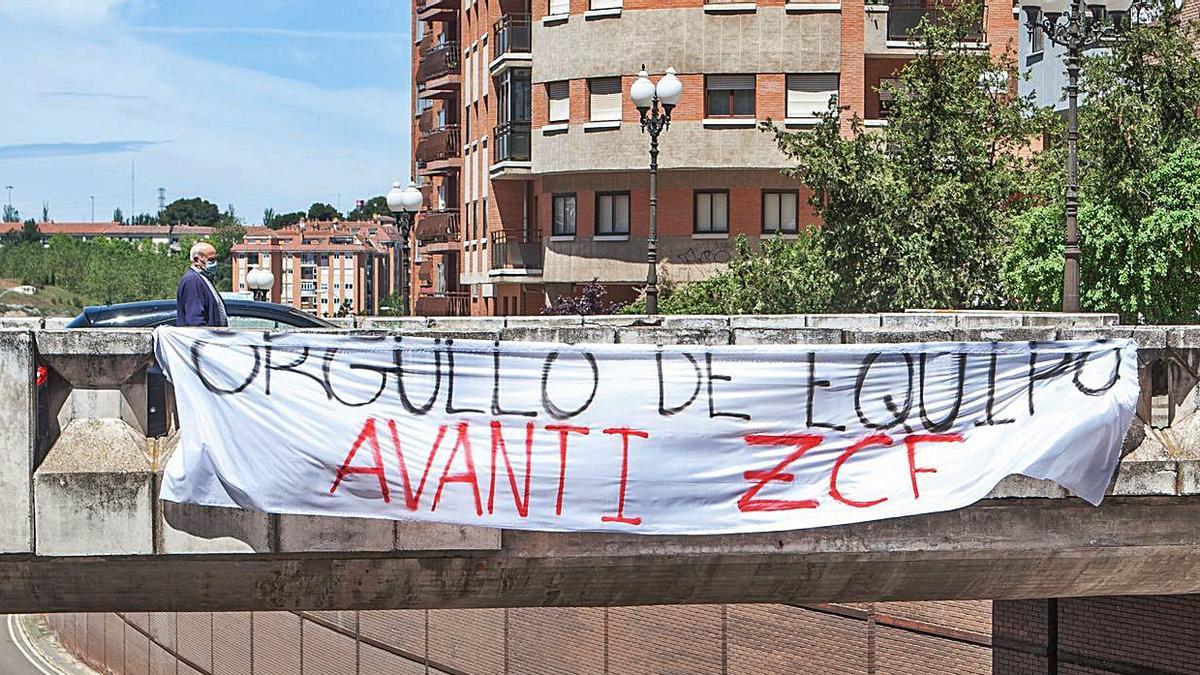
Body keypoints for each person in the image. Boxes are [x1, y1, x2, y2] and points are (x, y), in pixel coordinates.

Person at [176, 242, 229, 327]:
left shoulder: (203, 279)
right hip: (203, 338)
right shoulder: (192, 281)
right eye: (211, 260)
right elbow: (196, 321)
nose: (215, 263)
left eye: (215, 259)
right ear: (197, 260)